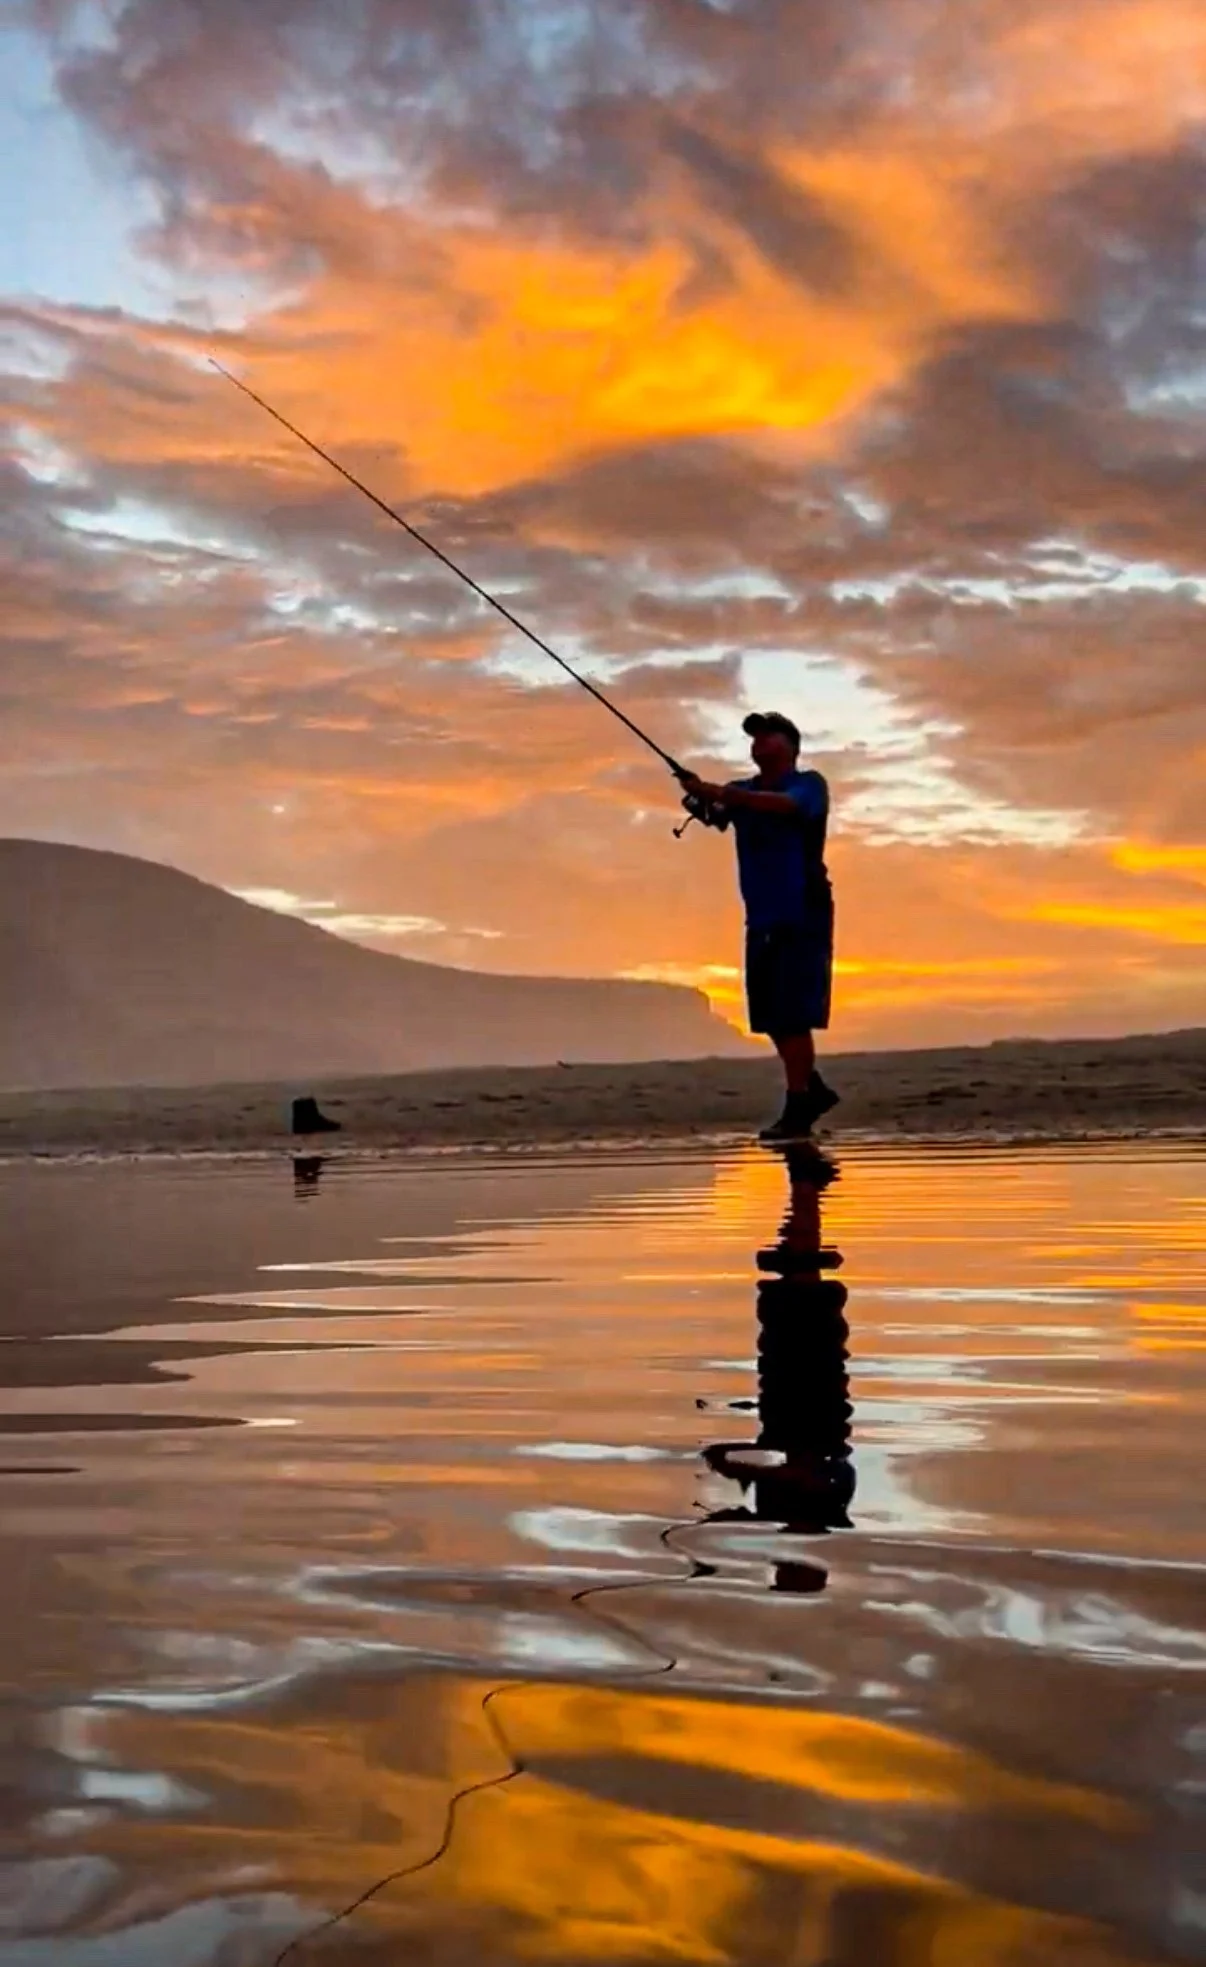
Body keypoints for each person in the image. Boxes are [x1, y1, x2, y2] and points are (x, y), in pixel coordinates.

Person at [681, 711, 838, 1143]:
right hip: (762, 911)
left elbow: (786, 807)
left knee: (793, 1010)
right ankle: (811, 1087)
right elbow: (716, 815)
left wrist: (720, 793)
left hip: (802, 907)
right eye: (754, 737)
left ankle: (800, 1103)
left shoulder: (808, 784)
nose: (758, 742)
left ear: (789, 744)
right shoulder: (744, 791)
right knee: (770, 1011)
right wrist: (701, 798)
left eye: (767, 735)